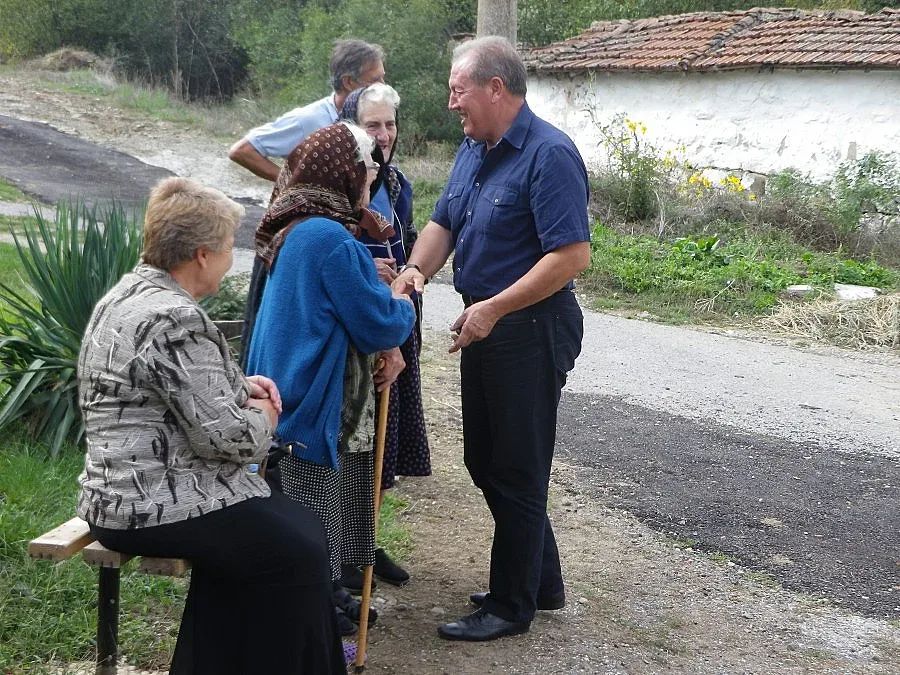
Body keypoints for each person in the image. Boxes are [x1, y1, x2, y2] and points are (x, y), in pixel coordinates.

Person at [77, 177, 345, 673]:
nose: (230, 259)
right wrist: (266, 415)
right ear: (201, 255)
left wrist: (239, 386)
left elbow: (165, 386)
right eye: (227, 249)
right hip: (151, 507)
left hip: (117, 496)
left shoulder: (129, 295)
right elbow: (231, 440)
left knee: (294, 529)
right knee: (298, 549)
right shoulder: (174, 318)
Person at [391, 36, 591, 642]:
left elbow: (571, 256)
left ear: (495, 88)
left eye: (459, 90)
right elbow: (443, 222)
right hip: (485, 322)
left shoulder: (550, 154)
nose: (451, 103)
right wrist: (415, 270)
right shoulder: (473, 148)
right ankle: (541, 580)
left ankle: (510, 605)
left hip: (530, 326)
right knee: (485, 459)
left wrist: (496, 309)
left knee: (517, 467)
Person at [245, 123, 416, 635]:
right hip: (306, 399)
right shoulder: (328, 237)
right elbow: (377, 323)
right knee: (313, 516)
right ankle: (314, 608)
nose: (370, 180)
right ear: (345, 174)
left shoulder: (299, 226)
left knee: (309, 514)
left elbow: (333, 292)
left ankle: (326, 594)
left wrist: (367, 273)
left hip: (283, 391)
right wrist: (401, 300)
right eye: (366, 170)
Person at [337, 82, 430, 590]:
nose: (384, 133)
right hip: (359, 329)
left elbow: (407, 245)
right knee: (354, 442)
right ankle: (344, 557)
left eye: (390, 123)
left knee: (380, 445)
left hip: (395, 317)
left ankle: (363, 543)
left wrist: (407, 275)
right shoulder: (342, 184)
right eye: (372, 124)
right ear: (352, 128)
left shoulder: (397, 185)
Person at [228, 39, 385, 181]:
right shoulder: (309, 120)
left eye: (383, 77)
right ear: (348, 82)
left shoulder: (378, 119)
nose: (383, 85)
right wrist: (295, 183)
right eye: (375, 79)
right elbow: (243, 151)